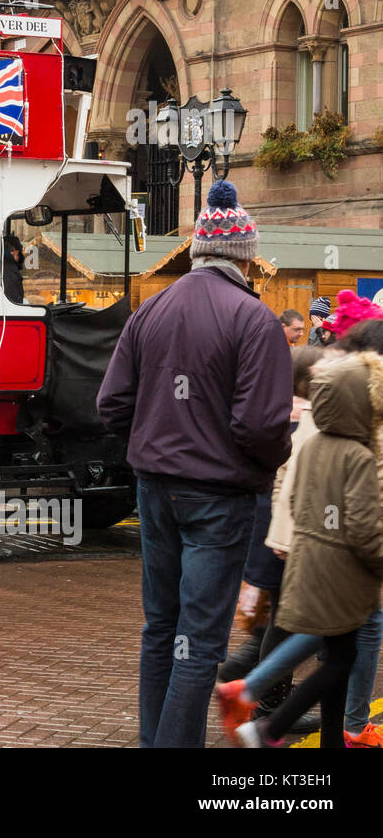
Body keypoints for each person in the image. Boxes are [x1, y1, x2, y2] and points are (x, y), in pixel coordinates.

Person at [97, 180, 292, 748]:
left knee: (161, 628)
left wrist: (158, 436)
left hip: (155, 489)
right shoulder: (255, 321)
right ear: (244, 257)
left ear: (198, 251)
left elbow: (111, 405)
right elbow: (258, 427)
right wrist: (275, 457)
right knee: (199, 640)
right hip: (217, 496)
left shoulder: (149, 310)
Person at [231, 352, 383, 748]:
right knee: (338, 660)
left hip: (309, 558)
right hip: (346, 575)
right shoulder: (359, 455)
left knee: (331, 651)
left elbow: (296, 499)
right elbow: (365, 531)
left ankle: (308, 727)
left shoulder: (315, 442)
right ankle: (267, 724)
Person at [2, 234, 24, 305]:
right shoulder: (9, 269)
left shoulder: (5, 266)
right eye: (12, 250)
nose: (17, 252)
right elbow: (14, 299)